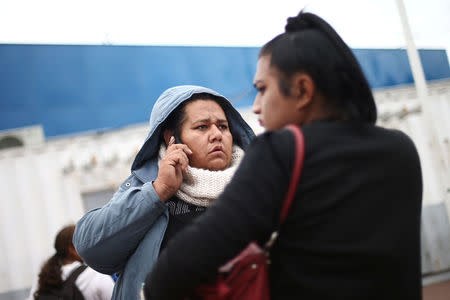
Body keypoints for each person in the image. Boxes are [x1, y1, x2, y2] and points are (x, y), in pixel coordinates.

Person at [144, 11, 423, 300]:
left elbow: (174, 271)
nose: (256, 106)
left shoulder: (282, 151)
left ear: (302, 90)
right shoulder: (401, 149)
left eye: (263, 89)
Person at [73, 85, 255, 300]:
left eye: (223, 126)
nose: (217, 135)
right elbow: (90, 248)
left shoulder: (257, 186)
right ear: (172, 138)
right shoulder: (147, 187)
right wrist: (159, 190)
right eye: (202, 127)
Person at [29, 224, 114, 300]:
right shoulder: (95, 275)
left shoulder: (43, 277)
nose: (91, 245)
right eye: (85, 241)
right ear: (72, 249)